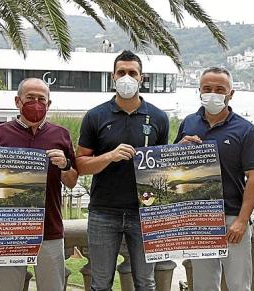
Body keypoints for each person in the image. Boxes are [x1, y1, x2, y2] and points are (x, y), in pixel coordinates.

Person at [76, 50, 169, 291]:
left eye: (132, 73)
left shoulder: (158, 117)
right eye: (121, 72)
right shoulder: (95, 116)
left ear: (141, 78)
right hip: (103, 212)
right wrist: (109, 156)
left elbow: (162, 166)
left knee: (146, 283)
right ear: (113, 77)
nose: (126, 77)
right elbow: (80, 165)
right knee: (100, 284)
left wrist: (182, 151)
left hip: (145, 214)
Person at [175, 67, 254, 291]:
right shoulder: (188, 123)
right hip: (200, 219)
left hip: (233, 218)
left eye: (219, 89)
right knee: (204, 286)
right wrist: (179, 148)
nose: (213, 93)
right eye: (207, 89)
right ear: (199, 91)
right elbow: (173, 168)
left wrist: (242, 220)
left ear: (231, 93)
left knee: (238, 286)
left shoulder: (246, 130)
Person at [0, 78, 78, 290]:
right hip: (8, 231)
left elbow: (72, 181)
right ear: (18, 101)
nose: (36, 103)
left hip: (50, 228)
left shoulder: (61, 135)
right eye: (30, 98)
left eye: (41, 99)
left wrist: (65, 165)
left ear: (49, 104)